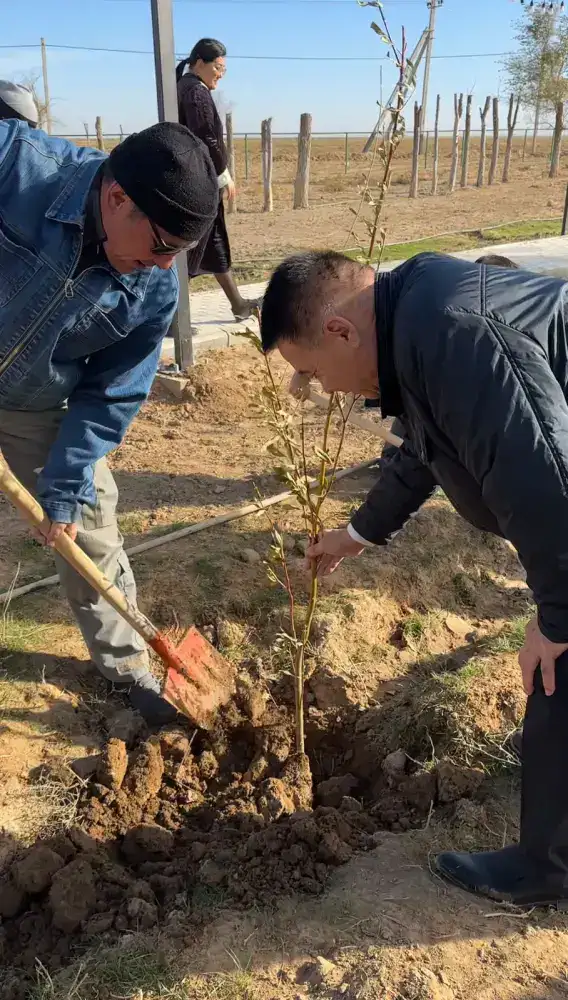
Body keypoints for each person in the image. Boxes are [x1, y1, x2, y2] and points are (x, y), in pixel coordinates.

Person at [260, 248, 568, 907]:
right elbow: (423, 449)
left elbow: (548, 489)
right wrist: (357, 534)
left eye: (313, 374)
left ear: (340, 332)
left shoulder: (455, 337)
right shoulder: (417, 318)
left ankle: (549, 868)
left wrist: (557, 615)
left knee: (558, 670)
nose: (326, 392)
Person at [0, 119, 218, 723]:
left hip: (31, 403)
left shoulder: (154, 290)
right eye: (161, 246)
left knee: (89, 525)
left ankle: (129, 667)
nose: (162, 265)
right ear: (117, 197)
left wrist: (65, 488)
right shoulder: (16, 165)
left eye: (179, 253)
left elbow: (112, 394)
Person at [176, 38, 261, 322]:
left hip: (196, 179)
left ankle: (237, 304)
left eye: (224, 69)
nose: (221, 74)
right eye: (218, 67)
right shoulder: (195, 92)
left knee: (208, 242)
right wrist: (224, 175)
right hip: (199, 181)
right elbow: (206, 137)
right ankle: (171, 317)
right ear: (200, 62)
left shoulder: (188, 87)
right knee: (190, 247)